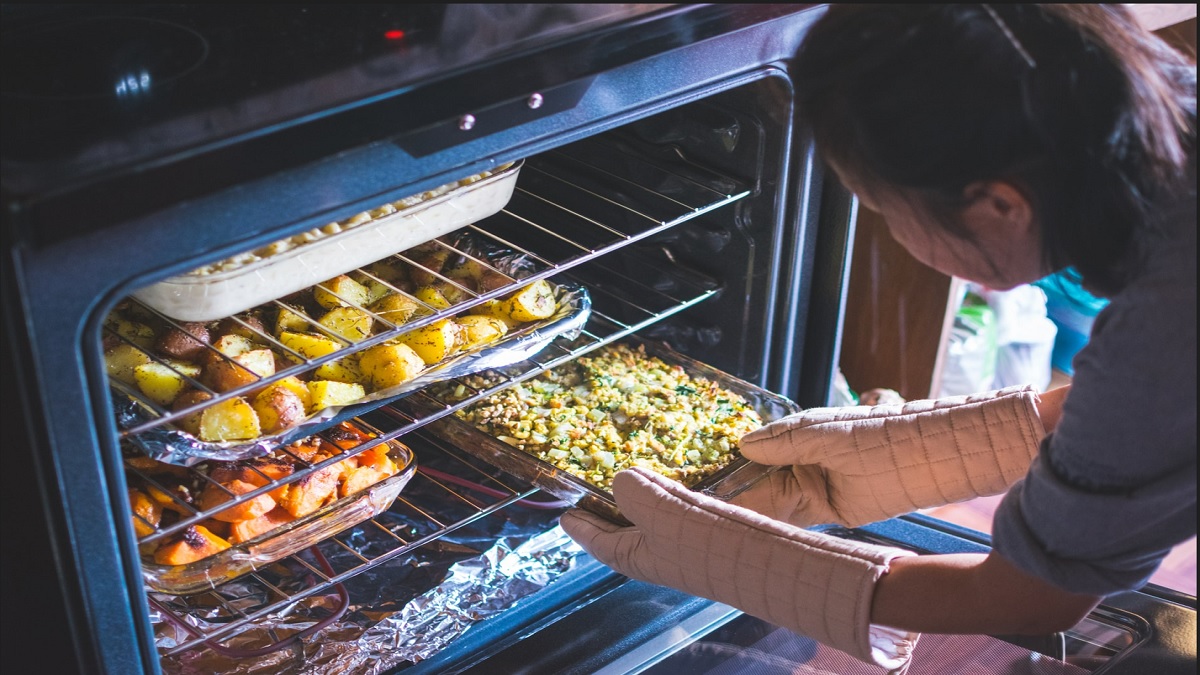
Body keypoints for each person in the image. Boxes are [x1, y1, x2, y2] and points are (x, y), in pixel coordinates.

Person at [561, 4, 1196, 672]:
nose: (893, 230)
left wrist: (747, 564)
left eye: (886, 209)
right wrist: (927, 449)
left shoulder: (1165, 324)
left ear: (999, 206)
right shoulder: (1171, 116)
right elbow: (1152, 416)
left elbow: (1027, 600)